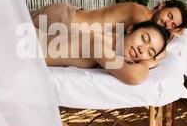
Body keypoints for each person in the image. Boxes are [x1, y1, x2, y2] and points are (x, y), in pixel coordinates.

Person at [38, 21, 170, 85]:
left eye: (149, 52)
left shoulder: (115, 45)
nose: (142, 49)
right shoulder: (99, 43)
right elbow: (133, 76)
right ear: (130, 29)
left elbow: (164, 53)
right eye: (144, 38)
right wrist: (145, 63)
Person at [30, 0, 187, 39]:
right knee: (9, 32)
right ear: (161, 6)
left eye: (173, 24)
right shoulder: (140, 14)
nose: (168, 23)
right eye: (169, 16)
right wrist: (173, 34)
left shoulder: (144, 18)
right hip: (64, 20)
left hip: (67, 24)